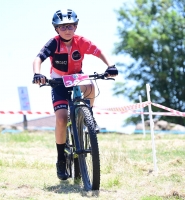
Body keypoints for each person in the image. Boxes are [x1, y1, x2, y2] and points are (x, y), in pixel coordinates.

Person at [32, 9, 118, 180]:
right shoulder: (53, 43)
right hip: (58, 81)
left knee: (91, 85)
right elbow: (38, 59)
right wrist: (37, 73)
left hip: (77, 78)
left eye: (70, 26)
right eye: (62, 27)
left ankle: (89, 117)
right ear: (56, 29)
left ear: (76, 26)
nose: (67, 29)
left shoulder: (81, 42)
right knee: (62, 118)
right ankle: (61, 159)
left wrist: (110, 66)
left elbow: (100, 52)